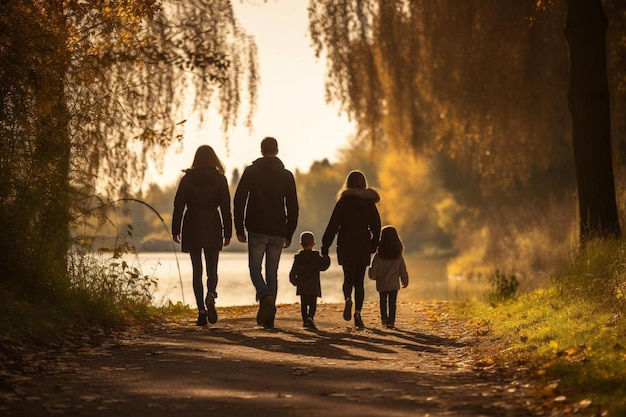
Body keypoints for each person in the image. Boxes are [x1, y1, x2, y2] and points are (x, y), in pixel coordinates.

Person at [234, 136, 299, 329]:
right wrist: (290, 232)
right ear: (277, 151)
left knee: (255, 269)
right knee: (273, 272)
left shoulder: (251, 172)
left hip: (257, 228)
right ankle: (270, 317)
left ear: (261, 151)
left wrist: (239, 227)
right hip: (278, 229)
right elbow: (293, 207)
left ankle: (264, 295)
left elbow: (239, 200)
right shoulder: (286, 175)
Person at [172, 145, 232, 326]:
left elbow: (179, 206)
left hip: (192, 224)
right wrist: (227, 231)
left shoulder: (187, 179)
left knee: (196, 270)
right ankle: (211, 294)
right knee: (212, 268)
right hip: (212, 223)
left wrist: (175, 230)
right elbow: (226, 207)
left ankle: (201, 311)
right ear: (214, 159)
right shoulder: (220, 179)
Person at [322, 170, 381, 329]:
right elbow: (377, 227)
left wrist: (325, 246)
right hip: (362, 244)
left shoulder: (343, 202)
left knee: (348, 278)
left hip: (346, 243)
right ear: (364, 184)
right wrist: (374, 245)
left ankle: (348, 298)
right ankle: (358, 314)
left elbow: (333, 226)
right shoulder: (369, 204)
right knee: (359, 282)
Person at [368, 225, 409, 329]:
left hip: (382, 283)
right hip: (394, 284)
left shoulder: (378, 255)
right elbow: (402, 269)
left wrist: (371, 275)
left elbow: (374, 270)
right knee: (392, 303)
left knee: (383, 301)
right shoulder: (398, 255)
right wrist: (404, 279)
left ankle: (384, 319)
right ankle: (391, 321)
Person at [289, 231, 331, 329]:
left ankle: (305, 320)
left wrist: (294, 281)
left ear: (301, 244)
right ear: (313, 244)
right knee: (313, 304)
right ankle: (310, 317)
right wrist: (326, 257)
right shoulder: (316, 257)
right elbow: (324, 266)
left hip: (302, 286)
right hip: (313, 285)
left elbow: (293, 272)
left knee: (304, 304)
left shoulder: (298, 258)